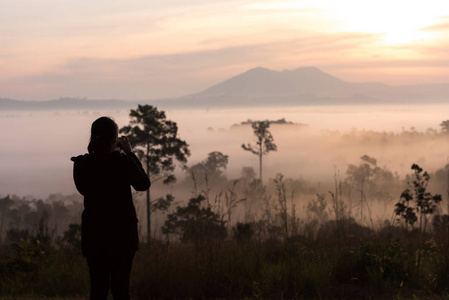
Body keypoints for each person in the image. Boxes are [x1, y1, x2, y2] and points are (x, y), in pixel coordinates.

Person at [71, 116, 151, 300]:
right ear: (114, 138)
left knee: (98, 290)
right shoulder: (123, 163)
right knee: (121, 290)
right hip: (123, 237)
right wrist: (129, 153)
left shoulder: (82, 165)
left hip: (94, 236)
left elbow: (84, 188)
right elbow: (143, 184)